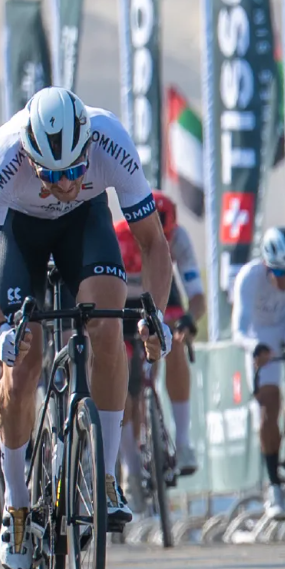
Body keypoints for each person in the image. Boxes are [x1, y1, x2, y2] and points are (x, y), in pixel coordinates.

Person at [0, 86, 173, 569]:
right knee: (22, 362)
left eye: (75, 170)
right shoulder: (5, 155)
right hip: (18, 232)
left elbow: (155, 245)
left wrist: (156, 315)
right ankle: (16, 504)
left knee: (107, 326)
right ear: (29, 158)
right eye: (51, 176)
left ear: (88, 149)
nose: (66, 184)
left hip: (84, 226)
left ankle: (106, 477)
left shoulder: (110, 139)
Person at [115, 190, 204, 494]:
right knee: (119, 370)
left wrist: (189, 321)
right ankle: (130, 466)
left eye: (166, 236)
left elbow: (197, 297)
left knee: (176, 342)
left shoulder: (178, 238)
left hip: (158, 295)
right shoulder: (116, 236)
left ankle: (183, 442)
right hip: (122, 302)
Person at [232, 226, 285, 520]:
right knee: (268, 410)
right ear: (266, 264)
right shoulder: (249, 278)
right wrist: (255, 348)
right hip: (261, 334)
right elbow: (239, 330)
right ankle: (275, 486)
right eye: (279, 273)